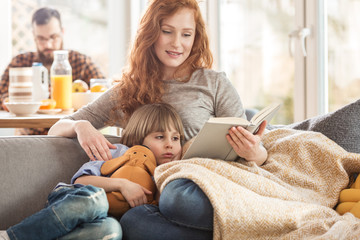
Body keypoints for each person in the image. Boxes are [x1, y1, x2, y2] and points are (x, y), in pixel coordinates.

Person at [47, 0, 267, 239]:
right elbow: (55, 129)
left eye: (186, 34)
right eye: (167, 31)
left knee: (177, 197)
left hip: (205, 187)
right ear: (151, 33)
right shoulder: (128, 90)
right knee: (133, 220)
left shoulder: (214, 83)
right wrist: (82, 126)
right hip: (153, 198)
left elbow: (257, 155)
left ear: (196, 37)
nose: (177, 43)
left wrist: (254, 152)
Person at [1, 103, 184, 240]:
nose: (170, 144)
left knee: (112, 231)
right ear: (139, 138)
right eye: (160, 137)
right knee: (96, 201)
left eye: (176, 138)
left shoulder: (165, 175)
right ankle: (13, 236)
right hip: (76, 198)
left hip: (103, 220)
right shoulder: (118, 151)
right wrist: (121, 184)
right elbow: (82, 181)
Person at [0, 7, 105, 135]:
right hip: (29, 138)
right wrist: (25, 100)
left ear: (62, 32)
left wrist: (73, 98)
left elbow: (103, 95)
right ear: (34, 36)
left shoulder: (82, 63)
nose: (48, 45)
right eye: (41, 39)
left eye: (53, 37)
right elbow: (2, 96)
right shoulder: (20, 63)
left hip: (71, 139)